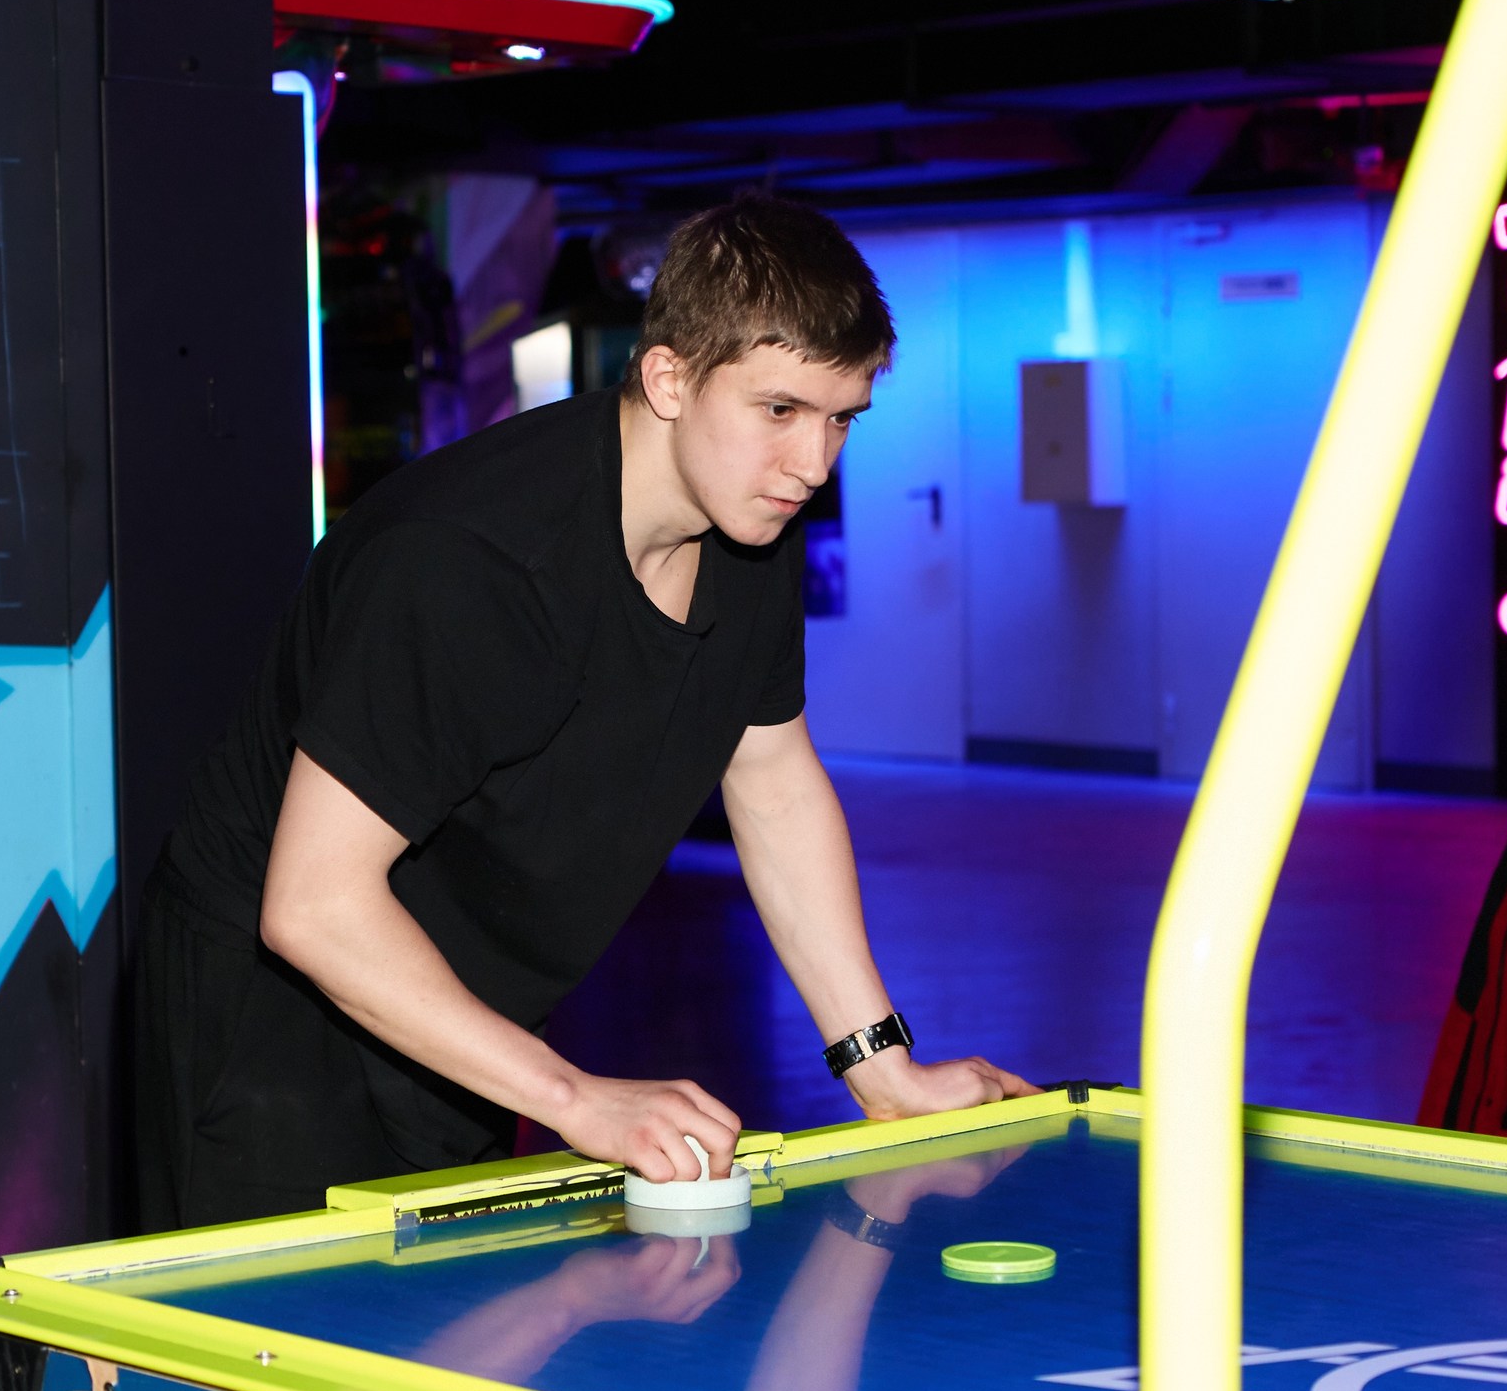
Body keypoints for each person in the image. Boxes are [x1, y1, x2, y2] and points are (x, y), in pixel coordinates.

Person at [137, 194, 1033, 1230]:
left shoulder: (752, 526)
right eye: (780, 411)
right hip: (274, 1023)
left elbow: (773, 783)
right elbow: (313, 906)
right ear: (668, 378)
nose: (813, 465)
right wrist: (574, 1097)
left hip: (467, 1005)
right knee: (277, 1331)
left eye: (841, 418)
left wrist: (881, 1066)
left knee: (440, 1320)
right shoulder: (471, 564)